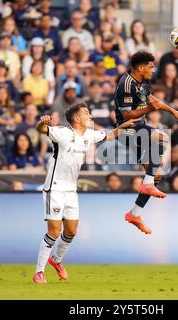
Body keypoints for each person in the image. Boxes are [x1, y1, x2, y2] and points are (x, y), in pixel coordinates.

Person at [32, 102, 137, 284]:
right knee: (54, 231)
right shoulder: (63, 133)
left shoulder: (89, 135)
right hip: (55, 188)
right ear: (77, 118)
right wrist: (42, 122)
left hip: (71, 190)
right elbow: (40, 129)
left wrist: (124, 126)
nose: (90, 115)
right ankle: (39, 272)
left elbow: (109, 134)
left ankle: (56, 260)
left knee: (71, 231)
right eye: (86, 113)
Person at [114, 50, 178, 235]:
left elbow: (154, 101)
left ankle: (134, 214)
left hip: (138, 131)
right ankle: (148, 183)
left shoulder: (141, 83)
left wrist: (173, 111)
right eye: (151, 67)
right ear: (141, 67)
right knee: (163, 137)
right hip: (126, 129)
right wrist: (147, 109)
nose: (153, 70)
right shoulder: (125, 84)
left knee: (156, 175)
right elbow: (128, 114)